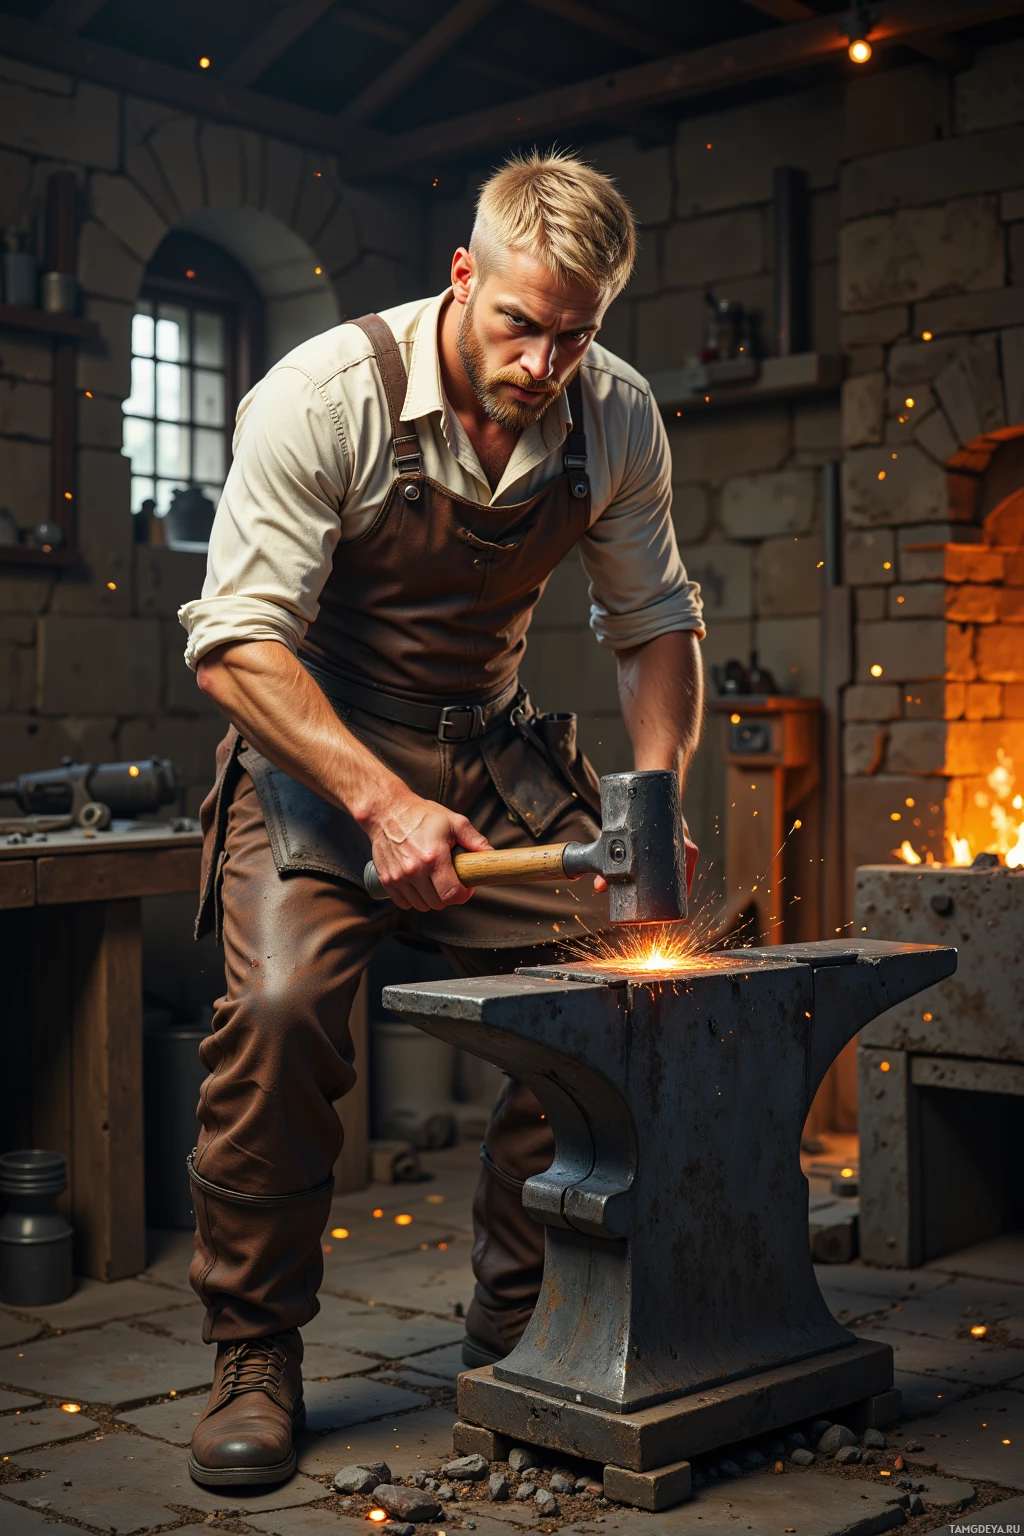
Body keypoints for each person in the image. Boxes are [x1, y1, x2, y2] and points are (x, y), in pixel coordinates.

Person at [178, 148, 705, 1490]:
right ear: (463, 276)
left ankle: (526, 1317)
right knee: (284, 1013)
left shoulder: (615, 416)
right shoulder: (327, 395)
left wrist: (650, 802)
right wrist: (377, 799)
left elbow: (654, 629)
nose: (543, 360)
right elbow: (237, 644)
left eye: (575, 332)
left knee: (615, 986)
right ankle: (254, 1355)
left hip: (494, 760)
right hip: (316, 757)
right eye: (518, 321)